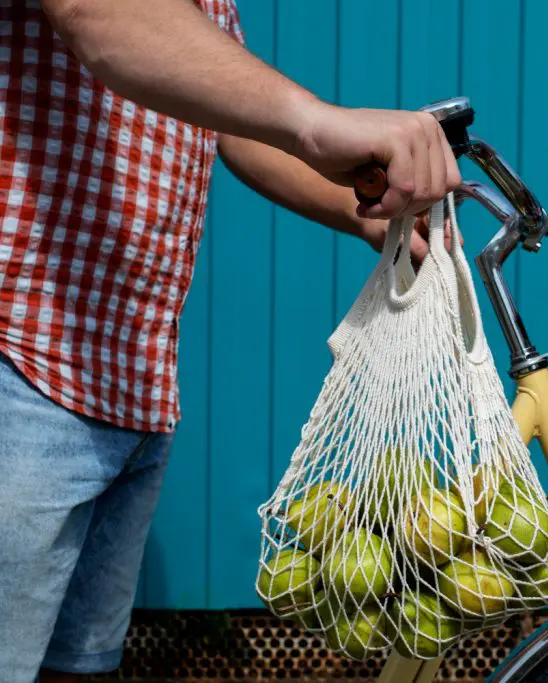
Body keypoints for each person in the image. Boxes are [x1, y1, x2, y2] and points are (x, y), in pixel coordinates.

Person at [0, 1, 461, 681]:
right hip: (25, 361)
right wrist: (315, 120)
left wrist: (364, 214)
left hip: (132, 381)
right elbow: (96, 13)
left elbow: (224, 121)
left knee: (79, 667)